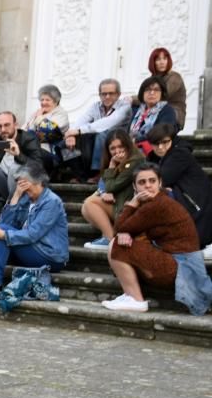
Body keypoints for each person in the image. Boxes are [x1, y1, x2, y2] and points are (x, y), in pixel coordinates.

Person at [102, 163, 202, 312]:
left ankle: (136, 299)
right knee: (121, 241)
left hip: (179, 268)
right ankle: (129, 294)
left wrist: (133, 202)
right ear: (134, 186)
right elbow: (125, 228)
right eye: (142, 182)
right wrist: (126, 231)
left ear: (160, 183)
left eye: (152, 181)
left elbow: (118, 228)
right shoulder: (157, 201)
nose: (148, 186)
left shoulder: (156, 205)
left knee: (117, 245)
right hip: (181, 265)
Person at [0, 163, 69, 297]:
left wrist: (4, 234)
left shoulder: (51, 202)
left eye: (24, 184)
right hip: (32, 249)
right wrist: (16, 195)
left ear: (38, 182)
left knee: (2, 234)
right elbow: (6, 222)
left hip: (50, 256)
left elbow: (33, 234)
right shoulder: (26, 198)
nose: (22, 187)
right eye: (20, 184)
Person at [146, 123, 212, 249]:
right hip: (183, 202)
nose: (160, 147)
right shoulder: (155, 157)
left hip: (195, 208)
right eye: (156, 143)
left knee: (156, 195)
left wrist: (163, 188)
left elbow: (161, 180)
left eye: (165, 142)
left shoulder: (180, 154)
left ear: (172, 139)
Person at [80, 130, 144, 249]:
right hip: (119, 205)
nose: (117, 151)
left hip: (130, 209)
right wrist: (104, 192)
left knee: (90, 203)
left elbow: (111, 186)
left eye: (120, 146)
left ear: (128, 145)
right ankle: (109, 235)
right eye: (112, 148)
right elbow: (104, 182)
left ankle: (109, 239)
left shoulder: (135, 161)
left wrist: (111, 167)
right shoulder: (120, 162)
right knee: (85, 208)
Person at [0, 111, 44, 215]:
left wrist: (18, 155)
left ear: (15, 124)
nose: (3, 129)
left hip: (25, 188)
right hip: (4, 185)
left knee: (15, 166)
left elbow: (38, 166)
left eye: (7, 125)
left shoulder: (28, 139)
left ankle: (12, 205)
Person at [64, 78, 131, 182]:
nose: (107, 97)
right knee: (65, 144)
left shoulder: (125, 107)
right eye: (104, 94)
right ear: (99, 95)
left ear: (118, 94)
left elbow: (108, 122)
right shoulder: (95, 106)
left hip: (118, 138)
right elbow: (82, 119)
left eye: (111, 93)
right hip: (97, 139)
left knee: (101, 134)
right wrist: (71, 134)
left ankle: (98, 172)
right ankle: (79, 174)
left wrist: (79, 131)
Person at [23, 84, 68, 176]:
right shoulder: (37, 113)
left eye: (47, 100)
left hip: (50, 153)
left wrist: (39, 118)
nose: (43, 102)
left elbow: (50, 129)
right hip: (32, 149)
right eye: (42, 100)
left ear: (56, 101)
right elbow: (24, 129)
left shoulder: (61, 114)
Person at [129, 76, 177, 146]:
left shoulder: (167, 110)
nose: (152, 93)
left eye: (156, 90)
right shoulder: (136, 110)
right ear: (142, 93)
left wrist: (136, 140)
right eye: (148, 89)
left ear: (162, 93)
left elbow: (161, 132)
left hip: (154, 146)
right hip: (131, 145)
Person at [146, 47, 186, 126]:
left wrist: (133, 99)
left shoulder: (175, 77)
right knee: (132, 108)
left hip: (172, 115)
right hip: (156, 112)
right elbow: (144, 95)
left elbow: (160, 96)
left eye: (164, 59)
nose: (162, 62)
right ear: (153, 62)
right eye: (158, 59)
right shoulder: (151, 79)